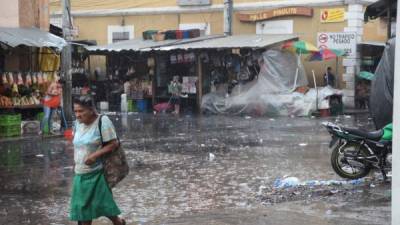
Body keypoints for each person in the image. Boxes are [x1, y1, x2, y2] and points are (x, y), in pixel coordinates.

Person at [70, 95, 125, 225]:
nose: (77, 115)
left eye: (81, 111)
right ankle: (118, 222)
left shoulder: (102, 121)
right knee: (83, 209)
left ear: (90, 109)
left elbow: (113, 144)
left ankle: (118, 222)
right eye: (75, 111)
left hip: (97, 173)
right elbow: (78, 145)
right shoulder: (77, 124)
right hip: (80, 173)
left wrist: (94, 155)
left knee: (103, 205)